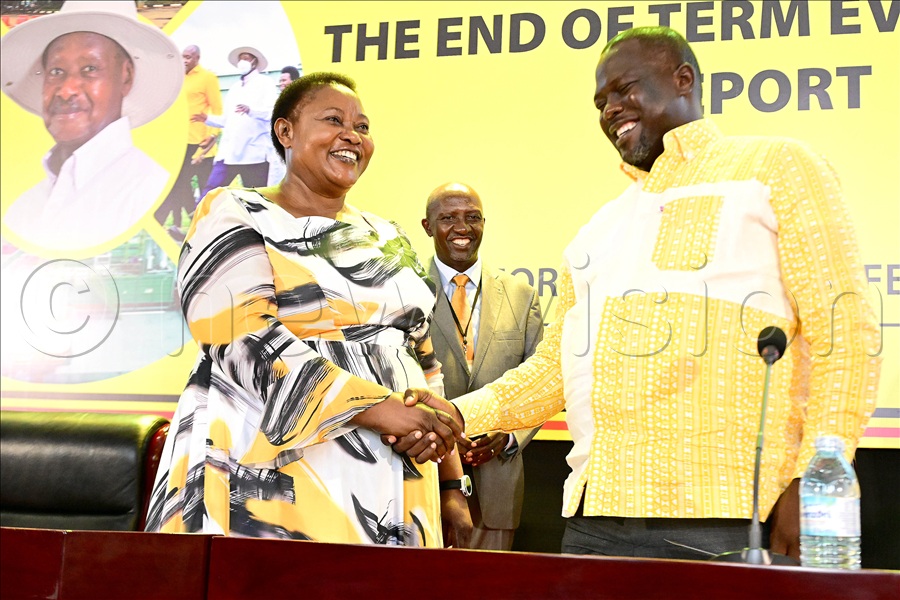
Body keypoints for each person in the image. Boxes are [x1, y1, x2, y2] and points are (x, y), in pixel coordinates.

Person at [401, 26, 881, 560]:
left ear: (683, 80)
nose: (610, 109)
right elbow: (555, 370)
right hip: (595, 521)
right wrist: (457, 414)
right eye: (601, 101)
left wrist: (814, 482)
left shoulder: (779, 168)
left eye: (625, 89)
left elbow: (845, 336)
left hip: (731, 514)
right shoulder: (598, 230)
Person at [145, 71, 472, 548]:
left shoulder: (388, 234)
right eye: (333, 120)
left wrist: (449, 483)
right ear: (285, 132)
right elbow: (242, 338)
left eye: (362, 126)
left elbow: (424, 366)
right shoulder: (234, 211)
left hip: (393, 472)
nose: (352, 135)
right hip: (267, 471)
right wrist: (376, 407)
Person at [0, 0, 182, 252]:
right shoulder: (23, 208)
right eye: (55, 71)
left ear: (126, 76)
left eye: (90, 69)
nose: (66, 90)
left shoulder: (147, 190)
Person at [422, 182, 543, 551]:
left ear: (484, 224)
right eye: (448, 218)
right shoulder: (404, 293)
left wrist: (509, 437)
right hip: (426, 479)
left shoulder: (522, 296)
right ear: (427, 226)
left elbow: (540, 381)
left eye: (472, 218)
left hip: (498, 484)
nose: (462, 228)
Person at [154, 44, 223, 236]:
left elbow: (216, 108)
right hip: (180, 142)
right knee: (177, 182)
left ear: (197, 58)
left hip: (201, 143)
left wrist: (211, 135)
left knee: (203, 187)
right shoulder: (177, 78)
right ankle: (183, 219)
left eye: (188, 57)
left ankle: (209, 228)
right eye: (182, 57)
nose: (184, 60)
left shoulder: (208, 77)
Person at [196, 45, 276, 197]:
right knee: (211, 193)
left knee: (255, 199)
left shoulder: (265, 83)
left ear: (254, 61)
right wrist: (208, 119)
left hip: (254, 153)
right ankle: (200, 220)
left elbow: (271, 113)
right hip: (229, 153)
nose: (242, 62)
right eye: (240, 59)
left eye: (245, 58)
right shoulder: (234, 88)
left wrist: (251, 111)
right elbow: (227, 120)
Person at [266, 65, 301, 187]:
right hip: (277, 155)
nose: (281, 83)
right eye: (280, 81)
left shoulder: (302, 102)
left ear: (294, 81)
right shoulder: (277, 102)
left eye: (284, 80)